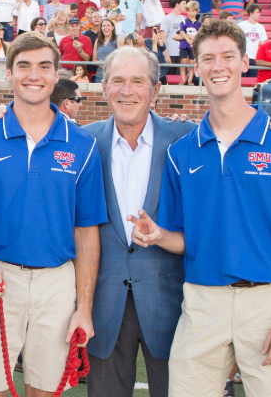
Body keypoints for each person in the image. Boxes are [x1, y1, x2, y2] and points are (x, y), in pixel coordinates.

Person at [126, 18, 271, 396]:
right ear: (196, 67)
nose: (219, 66)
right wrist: (158, 235)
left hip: (267, 301)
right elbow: (185, 238)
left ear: (245, 63)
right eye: (209, 58)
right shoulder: (182, 153)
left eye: (228, 56)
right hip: (202, 300)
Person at [0, 32, 107, 397]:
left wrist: (83, 308)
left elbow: (86, 231)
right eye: (23, 66)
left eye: (44, 66)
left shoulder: (82, 145)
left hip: (58, 283)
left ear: (56, 76)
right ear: (8, 73)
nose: (33, 75)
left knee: (46, 391)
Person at [84, 46, 191, 397]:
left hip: (170, 304)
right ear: (103, 87)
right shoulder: (83, 142)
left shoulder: (185, 140)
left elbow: (232, 130)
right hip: (103, 305)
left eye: (137, 81)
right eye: (117, 81)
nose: (126, 91)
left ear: (156, 90)